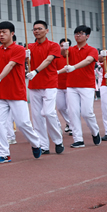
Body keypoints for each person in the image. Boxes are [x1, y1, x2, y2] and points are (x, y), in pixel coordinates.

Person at [0, 22, 42, 163]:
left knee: (23, 123)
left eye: (4, 32)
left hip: (16, 93)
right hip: (0, 94)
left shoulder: (19, 49)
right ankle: (4, 154)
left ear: (12, 33)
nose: (1, 35)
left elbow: (10, 65)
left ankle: (36, 143)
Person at [25, 20, 65, 154]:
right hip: (34, 85)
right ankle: (43, 145)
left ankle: (58, 140)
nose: (36, 31)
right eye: (34, 29)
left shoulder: (53, 45)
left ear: (46, 31)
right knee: (36, 117)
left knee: (48, 113)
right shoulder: (29, 47)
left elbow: (48, 60)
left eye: (39, 29)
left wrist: (35, 71)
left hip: (49, 83)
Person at [60, 26, 101, 148]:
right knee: (73, 112)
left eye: (81, 33)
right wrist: (64, 48)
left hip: (86, 85)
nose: (78, 36)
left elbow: (88, 61)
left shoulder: (92, 50)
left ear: (87, 36)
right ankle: (78, 139)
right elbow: (63, 54)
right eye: (76, 33)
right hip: (71, 85)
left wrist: (74, 67)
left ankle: (95, 131)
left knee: (87, 112)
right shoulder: (71, 49)